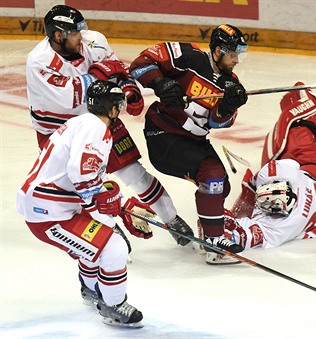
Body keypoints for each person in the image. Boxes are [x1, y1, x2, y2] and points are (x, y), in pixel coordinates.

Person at [25, 5, 193, 244]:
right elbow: (73, 98)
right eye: (74, 33)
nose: (80, 37)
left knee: (135, 173)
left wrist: (129, 90)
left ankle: (172, 219)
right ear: (58, 35)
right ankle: (110, 228)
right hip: (59, 130)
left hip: (100, 118)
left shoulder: (95, 41)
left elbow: (119, 73)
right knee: (82, 184)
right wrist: (103, 73)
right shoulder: (39, 61)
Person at [16, 80, 147, 328]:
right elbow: (82, 173)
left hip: (51, 206)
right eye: (118, 106)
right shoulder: (96, 128)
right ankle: (113, 305)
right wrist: (112, 202)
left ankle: (90, 290)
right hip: (50, 213)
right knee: (114, 247)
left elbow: (92, 178)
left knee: (99, 239)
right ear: (111, 108)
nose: (119, 112)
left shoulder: (80, 123)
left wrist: (122, 205)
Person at [129, 24, 249, 264]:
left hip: (193, 140)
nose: (236, 60)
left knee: (220, 186)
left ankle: (208, 231)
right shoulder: (188, 56)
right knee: (212, 175)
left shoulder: (231, 84)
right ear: (217, 51)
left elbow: (217, 123)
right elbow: (139, 64)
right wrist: (160, 83)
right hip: (163, 134)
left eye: (239, 55)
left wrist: (227, 106)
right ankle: (215, 243)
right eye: (232, 54)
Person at [225, 83, 316, 249]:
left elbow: (244, 237)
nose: (269, 208)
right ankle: (307, 106)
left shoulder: (276, 227)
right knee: (296, 141)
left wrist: (220, 225)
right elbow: (251, 190)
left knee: (283, 153)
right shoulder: (278, 224)